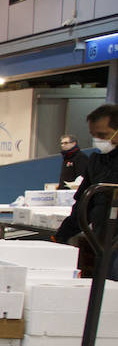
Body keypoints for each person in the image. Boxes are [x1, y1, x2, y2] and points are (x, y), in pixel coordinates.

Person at [55, 104, 118, 281]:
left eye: (103, 135)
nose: (98, 140)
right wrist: (63, 234)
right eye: (94, 135)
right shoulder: (97, 161)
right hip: (103, 240)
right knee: (105, 288)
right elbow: (84, 202)